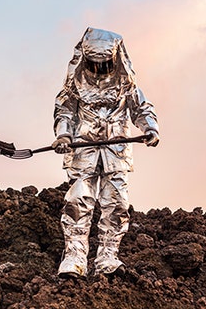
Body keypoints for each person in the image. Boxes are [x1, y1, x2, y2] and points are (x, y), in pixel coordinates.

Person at [51, 27, 160, 279]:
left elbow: (142, 109)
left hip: (116, 152)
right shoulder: (75, 86)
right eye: (94, 64)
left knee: (117, 205)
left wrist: (150, 128)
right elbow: (64, 112)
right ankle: (75, 258)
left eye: (105, 64)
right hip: (83, 152)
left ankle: (108, 257)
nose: (99, 70)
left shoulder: (126, 85)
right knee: (78, 202)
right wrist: (64, 135)